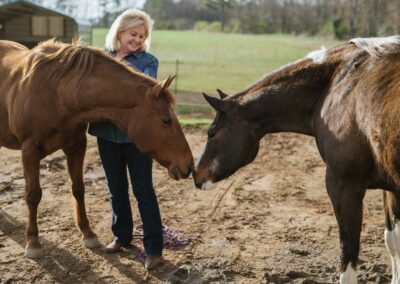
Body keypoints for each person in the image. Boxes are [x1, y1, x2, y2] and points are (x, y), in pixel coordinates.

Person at [88, 8, 163, 270]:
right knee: (115, 188)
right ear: (120, 32)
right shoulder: (101, 59)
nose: (138, 40)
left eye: (142, 36)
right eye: (133, 34)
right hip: (106, 134)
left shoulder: (148, 62)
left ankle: (154, 248)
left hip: (137, 137)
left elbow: (143, 99)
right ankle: (122, 236)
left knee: (144, 190)